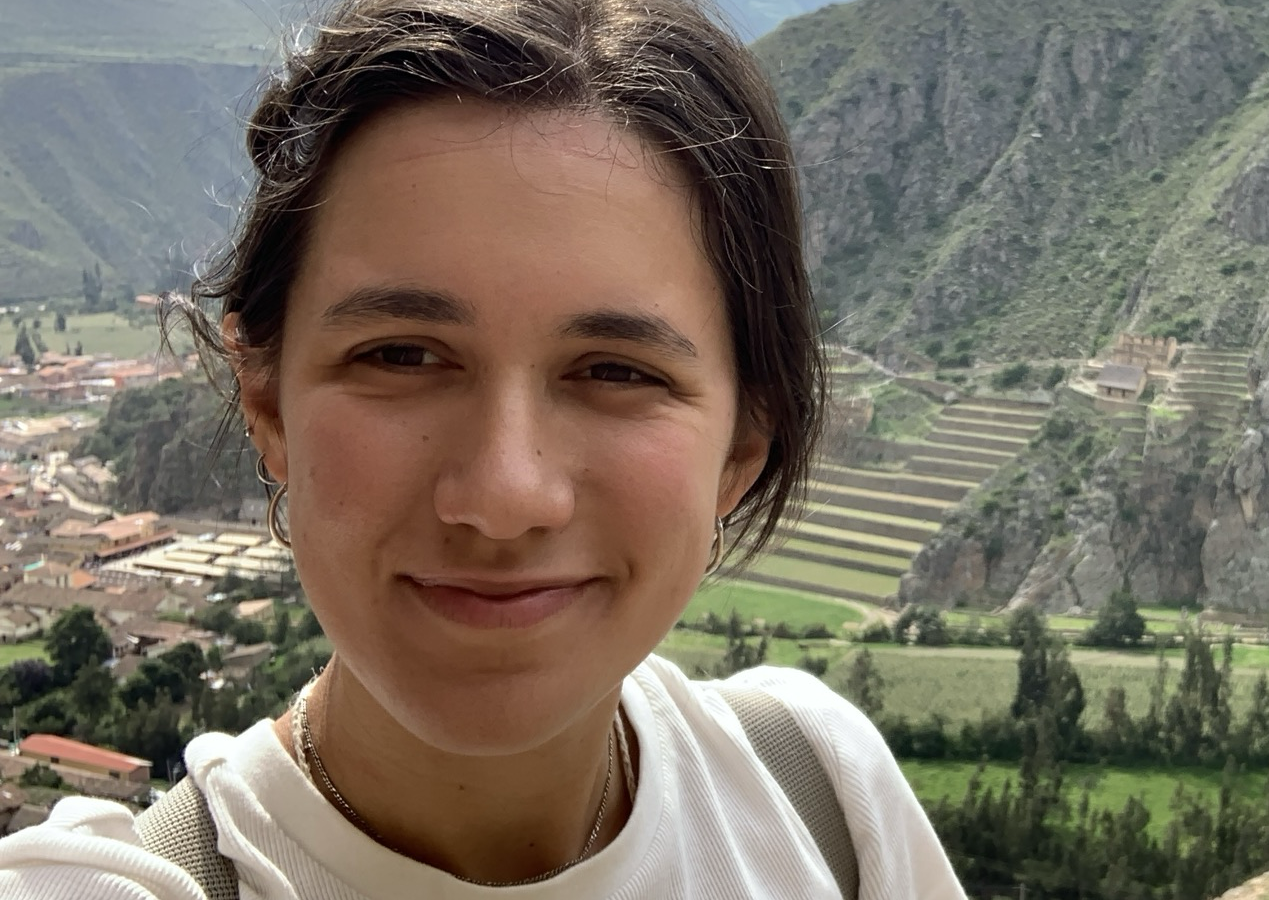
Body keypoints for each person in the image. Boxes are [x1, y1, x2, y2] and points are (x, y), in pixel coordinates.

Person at [0, 0, 967, 897]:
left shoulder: (821, 799)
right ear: (267, 400)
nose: (505, 494)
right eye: (402, 355)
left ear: (742, 444)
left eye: (616, 372)